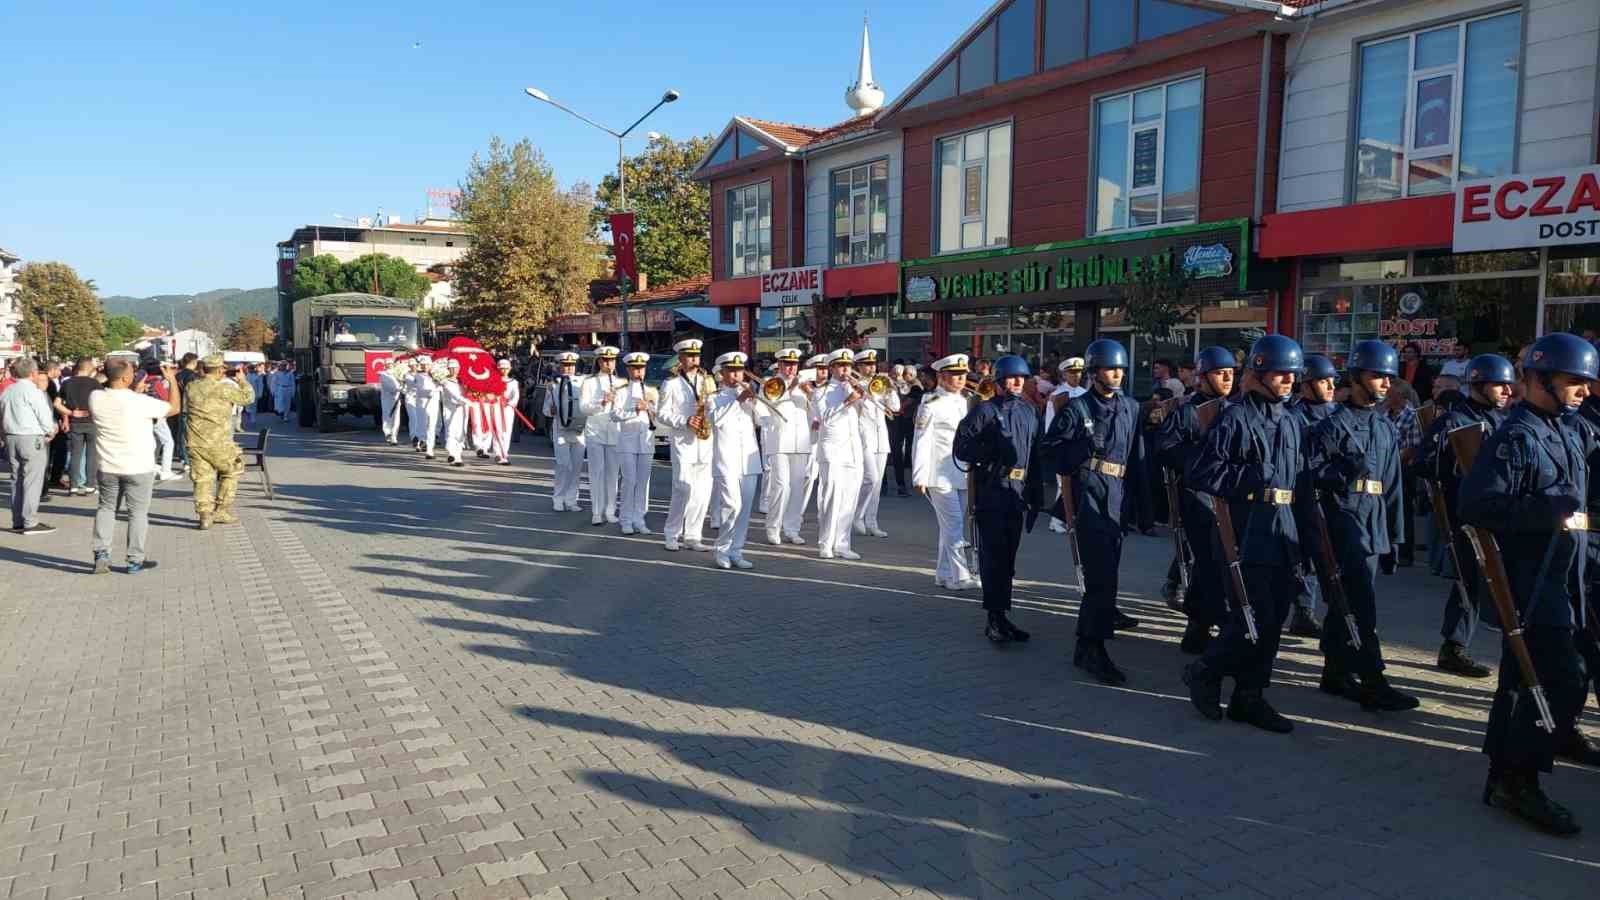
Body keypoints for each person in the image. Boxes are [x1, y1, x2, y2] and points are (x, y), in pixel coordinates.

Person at [1458, 332, 1596, 836]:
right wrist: (1547, 508)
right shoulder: (1517, 436)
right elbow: (1476, 507)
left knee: (1521, 683)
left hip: (1566, 577)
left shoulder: (1566, 428)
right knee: (1563, 678)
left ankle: (1503, 773)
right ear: (1539, 380)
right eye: (1574, 381)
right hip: (1533, 584)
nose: (1584, 390)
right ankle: (1522, 780)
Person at [1182, 335, 1307, 734]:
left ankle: (1249, 696)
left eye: (1292, 373)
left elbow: (1297, 481)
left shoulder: (1290, 419)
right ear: (1257, 372)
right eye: (1279, 372)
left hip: (1281, 529)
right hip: (1246, 530)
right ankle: (1205, 669)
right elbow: (1201, 472)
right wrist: (1252, 479)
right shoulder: (1234, 417)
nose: (1288, 379)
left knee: (1274, 620)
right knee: (1252, 617)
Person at [1303, 340, 1419, 712]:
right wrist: (1341, 472)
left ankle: (1335, 672)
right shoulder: (1331, 425)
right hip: (1342, 525)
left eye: (1389, 377)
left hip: (1373, 527)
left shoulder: (1385, 427)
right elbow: (1309, 477)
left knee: (1346, 604)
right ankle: (1373, 679)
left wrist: (1395, 539)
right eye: (1377, 376)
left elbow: (1393, 488)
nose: (1385, 384)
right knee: (1361, 607)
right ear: (1355, 378)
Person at [1043, 338, 1147, 685]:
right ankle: (1095, 649)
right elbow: (1050, 452)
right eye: (1109, 369)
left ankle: (1085, 643)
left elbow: (1136, 456)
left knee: (1107, 575)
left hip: (1117, 497)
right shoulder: (1077, 408)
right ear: (1093, 372)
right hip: (1090, 494)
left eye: (1120, 369)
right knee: (1101, 576)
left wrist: (1140, 505)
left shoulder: (1131, 407)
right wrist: (1082, 454)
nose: (1116, 374)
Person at [1420, 354, 1514, 679]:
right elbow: (1423, 462)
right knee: (1470, 581)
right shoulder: (1453, 420)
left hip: (1498, 516)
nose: (1506, 391)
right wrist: (1454, 467)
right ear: (1478, 384)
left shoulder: (1505, 421)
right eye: (1499, 385)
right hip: (1464, 515)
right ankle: (1454, 646)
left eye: (1508, 385)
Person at [953, 354, 1042, 643]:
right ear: (1001, 381)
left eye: (1022, 377)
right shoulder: (985, 411)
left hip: (1016, 493)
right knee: (993, 557)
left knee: (1008, 559)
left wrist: (1036, 495)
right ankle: (993, 618)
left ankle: (1003, 615)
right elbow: (961, 447)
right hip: (992, 491)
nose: (1017, 382)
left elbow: (1035, 455)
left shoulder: (1029, 412)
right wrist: (990, 456)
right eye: (1012, 377)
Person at [1154, 346, 1236, 653]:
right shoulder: (1188, 410)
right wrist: (1202, 462)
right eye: (1220, 373)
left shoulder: (1233, 408)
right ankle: (1213, 622)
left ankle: (1198, 628)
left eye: (1231, 373)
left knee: (1214, 563)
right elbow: (1166, 448)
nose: (1228, 378)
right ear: (1202, 377)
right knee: (1209, 560)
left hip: (1226, 495)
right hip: (1197, 496)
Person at [88, 357, 180, 574]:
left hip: (108, 465)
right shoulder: (140, 403)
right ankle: (134, 559)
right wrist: (172, 381)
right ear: (126, 377)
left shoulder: (95, 397)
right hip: (139, 465)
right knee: (137, 513)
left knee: (106, 508)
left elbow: (116, 397)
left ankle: (101, 553)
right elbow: (174, 408)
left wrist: (133, 390)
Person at [1284, 353, 1340, 639]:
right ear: (1305, 385)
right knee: (1303, 556)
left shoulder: (1338, 413)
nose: (1331, 386)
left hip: (1334, 496)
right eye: (1323, 381)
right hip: (1303, 495)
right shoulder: (1293, 417)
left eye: (1333, 381)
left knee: (1330, 556)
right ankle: (1303, 610)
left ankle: (1335, 611)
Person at [914, 355, 979, 590]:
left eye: (963, 375)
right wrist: (919, 476)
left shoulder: (968, 402)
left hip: (962, 473)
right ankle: (960, 575)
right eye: (955, 375)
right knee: (953, 525)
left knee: (951, 526)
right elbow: (920, 440)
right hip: (938, 475)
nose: (961, 380)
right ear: (941, 377)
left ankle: (943, 573)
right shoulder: (930, 404)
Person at [185, 354, 255, 529]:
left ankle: (204, 516)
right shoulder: (224, 388)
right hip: (219, 443)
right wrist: (242, 381)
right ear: (220, 369)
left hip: (196, 442)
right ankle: (221, 510)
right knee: (233, 469)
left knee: (202, 479)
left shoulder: (191, 387)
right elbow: (248, 398)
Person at [658, 340, 715, 551]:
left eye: (696, 355)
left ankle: (693, 535)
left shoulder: (707, 381)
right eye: (689, 356)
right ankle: (672, 534)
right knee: (682, 488)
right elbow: (662, 414)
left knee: (702, 491)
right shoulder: (670, 384)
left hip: (704, 442)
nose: (694, 359)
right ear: (680, 359)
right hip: (683, 441)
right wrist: (684, 421)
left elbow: (713, 408)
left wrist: (710, 408)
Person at [812, 349, 867, 560]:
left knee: (849, 500)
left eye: (849, 366)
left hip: (853, 450)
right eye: (842, 366)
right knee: (832, 498)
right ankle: (825, 543)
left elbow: (867, 412)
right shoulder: (821, 392)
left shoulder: (853, 387)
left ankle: (842, 544)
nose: (846, 370)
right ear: (832, 368)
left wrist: (860, 395)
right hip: (832, 449)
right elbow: (825, 418)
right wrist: (847, 400)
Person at [708, 352, 760, 570]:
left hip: (749, 460)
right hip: (726, 460)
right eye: (731, 371)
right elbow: (715, 420)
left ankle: (736, 551)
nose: (737, 374)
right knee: (732, 506)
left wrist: (756, 402)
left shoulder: (747, 396)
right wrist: (737, 401)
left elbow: (763, 421)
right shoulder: (714, 397)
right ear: (721, 374)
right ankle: (722, 549)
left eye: (739, 370)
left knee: (745, 508)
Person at [757, 348, 813, 545]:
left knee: (798, 487)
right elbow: (763, 409)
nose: (791, 368)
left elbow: (815, 413)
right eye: (787, 364)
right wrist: (790, 389)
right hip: (779, 440)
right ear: (779, 365)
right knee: (780, 485)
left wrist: (810, 394)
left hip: (801, 441)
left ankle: (792, 528)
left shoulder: (804, 385)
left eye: (794, 364)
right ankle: (773, 527)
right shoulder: (770, 383)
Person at [2, 358, 60, 535]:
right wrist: (51, 431)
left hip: (11, 437)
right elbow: (43, 416)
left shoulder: (7, 391)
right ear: (33, 373)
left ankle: (18, 520)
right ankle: (30, 521)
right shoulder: (33, 392)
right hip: (30, 437)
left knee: (16, 479)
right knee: (32, 480)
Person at [852, 349, 900, 538]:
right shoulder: (855, 385)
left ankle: (872, 522)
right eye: (866, 365)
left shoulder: (880, 385)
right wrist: (861, 393)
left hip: (881, 438)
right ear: (859, 367)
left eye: (873, 364)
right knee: (870, 479)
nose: (871, 368)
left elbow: (895, 408)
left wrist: (890, 389)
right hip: (864, 437)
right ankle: (857, 515)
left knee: (877, 483)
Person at [613, 352, 657, 535]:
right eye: (635, 368)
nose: (639, 371)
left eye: (641, 368)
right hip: (628, 441)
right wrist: (634, 409)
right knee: (629, 481)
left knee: (643, 482)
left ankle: (639, 518)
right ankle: (625, 519)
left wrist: (652, 409)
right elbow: (615, 415)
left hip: (646, 440)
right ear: (629, 370)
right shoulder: (621, 391)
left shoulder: (652, 391)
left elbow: (659, 416)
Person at [579, 346, 623, 525]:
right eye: (605, 360)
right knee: (596, 472)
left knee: (613, 474)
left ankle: (610, 510)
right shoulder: (589, 382)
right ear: (599, 362)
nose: (609, 363)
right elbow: (583, 407)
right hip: (595, 431)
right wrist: (601, 402)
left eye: (611, 360)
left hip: (614, 431)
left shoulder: (621, 382)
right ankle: (596, 511)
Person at [542, 351, 585, 511]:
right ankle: (558, 498)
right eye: (565, 365)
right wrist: (551, 411)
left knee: (577, 467)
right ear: (560, 366)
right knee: (563, 465)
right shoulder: (553, 385)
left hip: (579, 430)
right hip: (560, 429)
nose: (568, 368)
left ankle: (572, 499)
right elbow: (545, 409)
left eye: (571, 365)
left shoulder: (581, 383)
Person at [55, 359, 101, 495]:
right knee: (91, 455)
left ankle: (73, 486)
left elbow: (57, 403)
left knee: (76, 454)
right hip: (92, 421)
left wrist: (70, 412)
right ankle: (90, 485)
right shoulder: (94, 383)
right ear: (89, 369)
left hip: (75, 422)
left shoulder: (67, 383)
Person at [888, 362, 924, 497]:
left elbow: (905, 403)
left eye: (904, 374)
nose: (902, 376)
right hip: (898, 423)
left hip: (908, 422)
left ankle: (908, 483)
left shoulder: (915, 386)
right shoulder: (899, 384)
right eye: (901, 374)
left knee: (909, 453)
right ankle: (901, 484)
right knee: (898, 452)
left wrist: (897, 406)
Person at [439, 358, 469, 467]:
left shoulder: (462, 381)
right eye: (451, 368)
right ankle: (451, 453)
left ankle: (458, 456)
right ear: (448, 369)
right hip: (450, 409)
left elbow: (468, 393)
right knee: (451, 431)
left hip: (462, 409)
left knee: (461, 432)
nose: (453, 370)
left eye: (455, 368)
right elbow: (454, 395)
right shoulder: (445, 382)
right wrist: (467, 401)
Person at [409, 356, 439, 457]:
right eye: (423, 365)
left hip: (433, 403)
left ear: (431, 365)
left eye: (427, 364)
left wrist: (437, 387)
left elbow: (442, 387)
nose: (425, 366)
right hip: (422, 403)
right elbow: (418, 388)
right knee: (422, 424)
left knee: (431, 426)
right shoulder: (418, 376)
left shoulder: (437, 375)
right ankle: (422, 440)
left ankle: (430, 450)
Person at [491, 358, 518, 465]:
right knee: (497, 430)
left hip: (508, 409)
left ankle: (504, 453)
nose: (504, 370)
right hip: (496, 407)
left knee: (506, 431)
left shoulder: (514, 382)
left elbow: (515, 396)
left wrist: (509, 403)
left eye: (506, 368)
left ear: (510, 369)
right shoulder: (493, 381)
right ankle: (498, 452)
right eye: (501, 368)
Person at [378, 357, 404, 444]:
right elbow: (388, 387)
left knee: (396, 418)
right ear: (385, 365)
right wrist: (399, 389)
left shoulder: (398, 374)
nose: (389, 365)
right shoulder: (382, 375)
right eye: (388, 364)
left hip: (396, 399)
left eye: (391, 364)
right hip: (386, 399)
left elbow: (402, 383)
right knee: (387, 416)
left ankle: (394, 436)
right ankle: (387, 432)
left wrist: (402, 387)